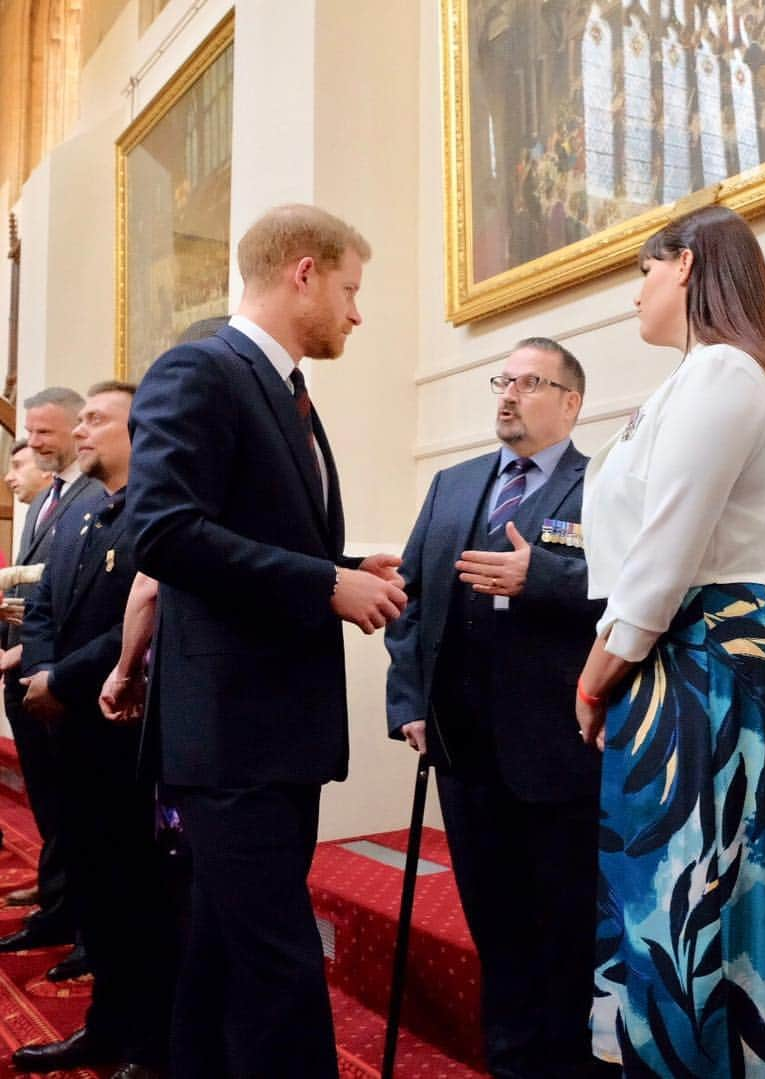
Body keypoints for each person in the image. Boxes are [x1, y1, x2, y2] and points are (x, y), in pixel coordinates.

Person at [126, 203, 407, 1079]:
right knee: (281, 967)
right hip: (231, 738)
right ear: (304, 273)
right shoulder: (199, 371)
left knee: (221, 959)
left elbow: (266, 539)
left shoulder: (286, 390)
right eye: (351, 290)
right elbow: (163, 532)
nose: (357, 314)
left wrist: (353, 563)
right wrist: (329, 583)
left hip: (273, 733)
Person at [577, 205, 765, 1077]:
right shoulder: (691, 380)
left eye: (643, 270)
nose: (634, 295)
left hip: (700, 658)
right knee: (672, 908)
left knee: (700, 911)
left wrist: (601, 664)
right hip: (675, 657)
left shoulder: (724, 370)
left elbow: (668, 547)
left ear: (684, 265)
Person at [385, 338, 607, 1079]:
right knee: (497, 933)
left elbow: (633, 594)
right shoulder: (453, 484)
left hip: (559, 758)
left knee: (564, 936)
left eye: (529, 382)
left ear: (570, 402)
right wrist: (410, 700)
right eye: (502, 380)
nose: (508, 394)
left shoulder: (604, 484)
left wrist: (539, 576)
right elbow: (409, 602)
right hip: (463, 754)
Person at [15, 382, 172, 1079]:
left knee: (137, 897)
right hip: (73, 731)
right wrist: (42, 674)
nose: (81, 431)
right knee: (99, 894)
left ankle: (147, 1043)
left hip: (124, 733)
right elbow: (45, 601)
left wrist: (60, 680)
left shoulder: (156, 512)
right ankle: (105, 1027)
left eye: (96, 419)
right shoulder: (88, 514)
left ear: (138, 432)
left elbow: (135, 623)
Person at [0, 389, 102, 960]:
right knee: (51, 806)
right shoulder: (48, 498)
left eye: (44, 433)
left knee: (76, 813)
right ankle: (60, 911)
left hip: (67, 680)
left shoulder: (94, 494)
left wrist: (37, 665)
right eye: (29, 434)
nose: (33, 444)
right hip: (33, 676)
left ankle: (86, 926)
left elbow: (71, 597)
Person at [3, 438, 51, 507]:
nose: (7, 478)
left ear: (46, 468)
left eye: (17, 466)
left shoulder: (70, 510)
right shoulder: (34, 514)